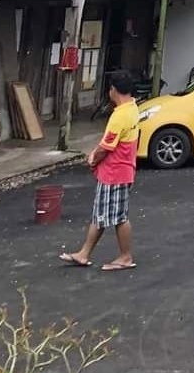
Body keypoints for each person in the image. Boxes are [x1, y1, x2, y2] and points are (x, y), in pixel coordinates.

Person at [60, 70, 140, 271]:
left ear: (113, 90)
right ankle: (84, 253)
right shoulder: (132, 108)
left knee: (118, 216)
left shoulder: (120, 115)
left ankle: (125, 257)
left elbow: (106, 147)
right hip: (119, 170)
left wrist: (93, 159)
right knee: (101, 214)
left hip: (116, 172)